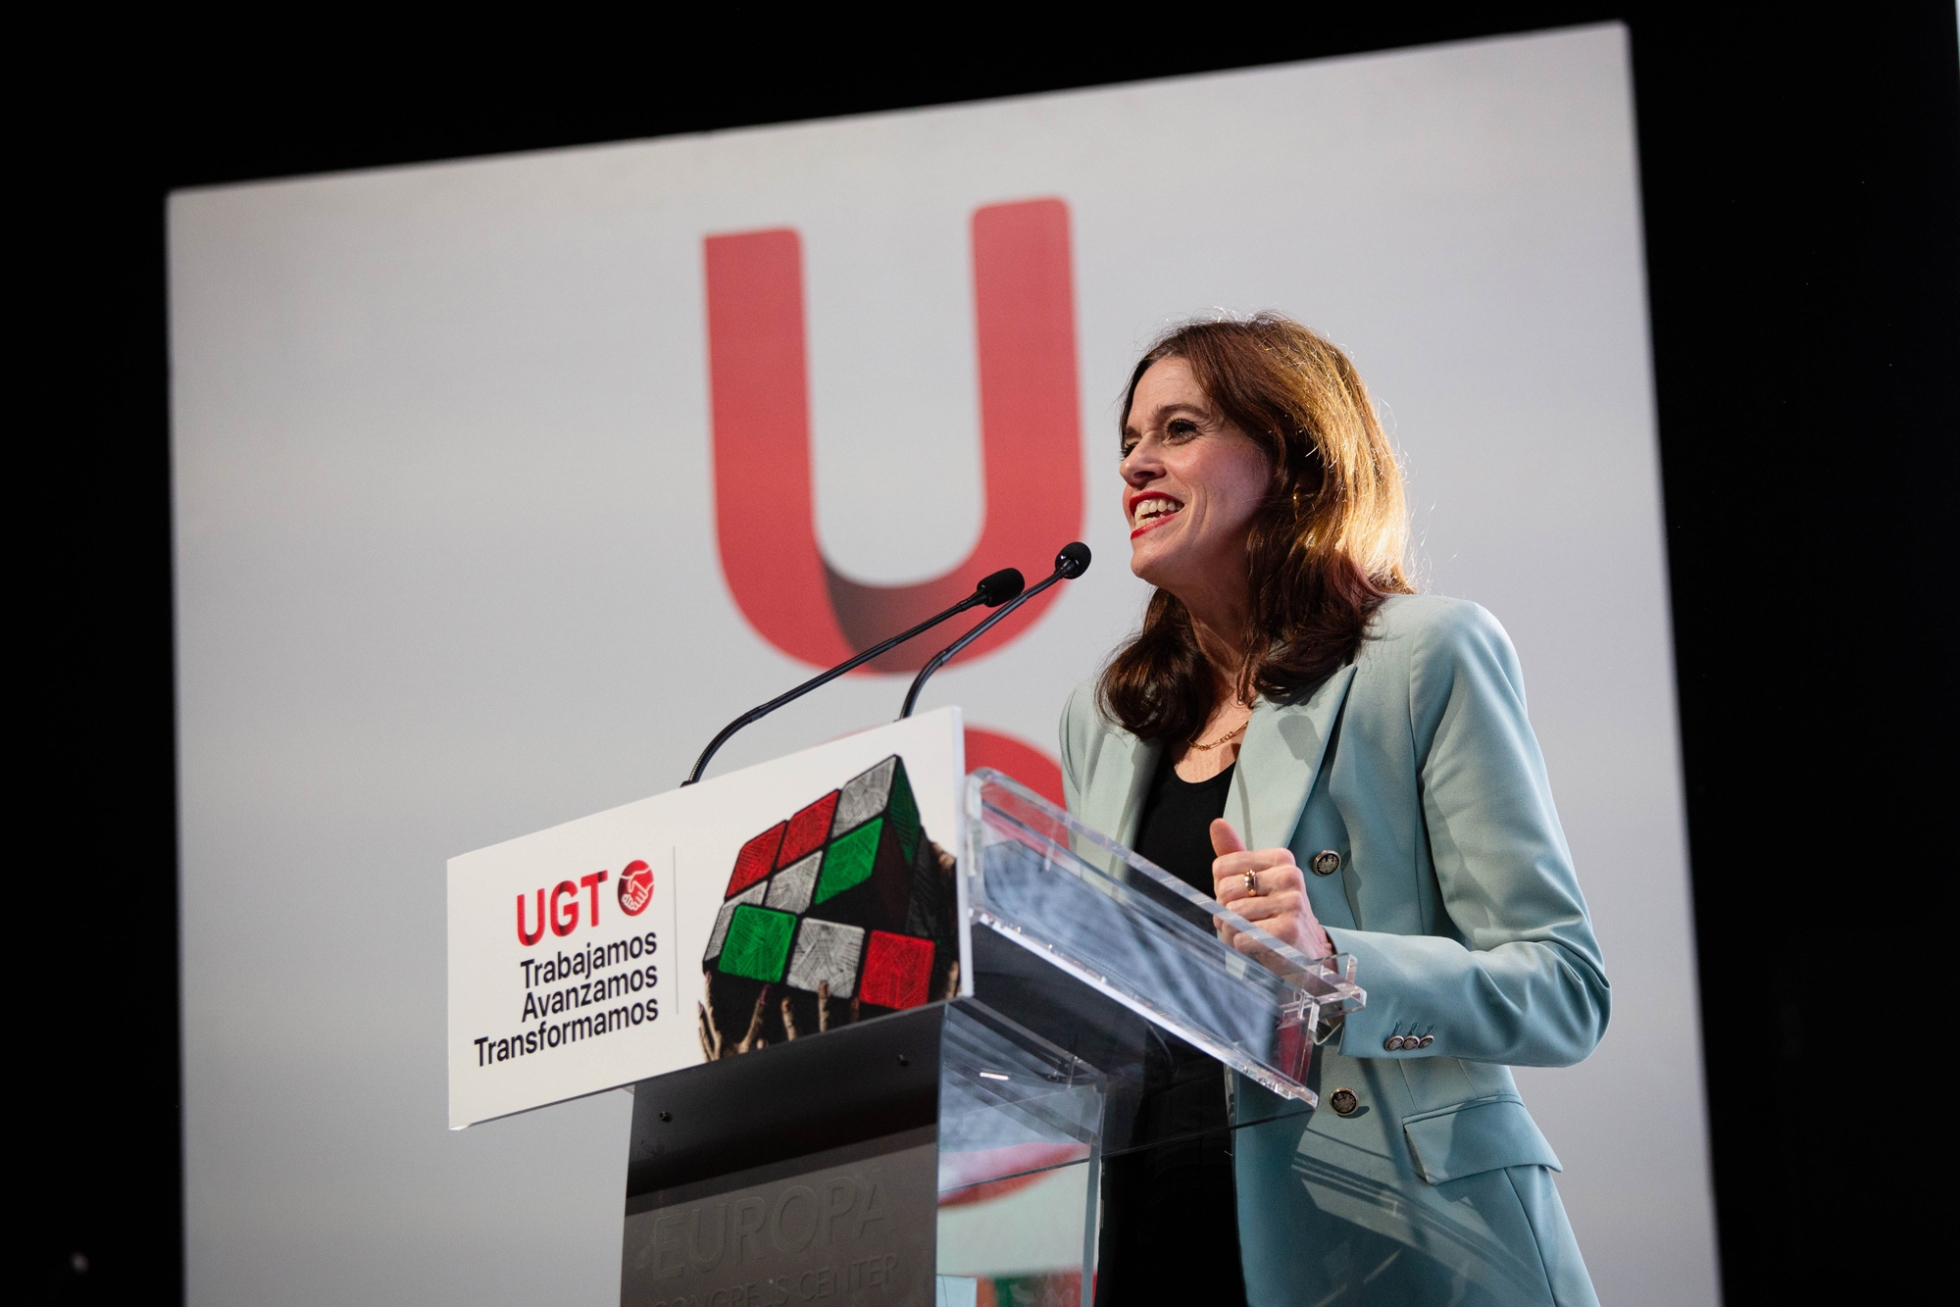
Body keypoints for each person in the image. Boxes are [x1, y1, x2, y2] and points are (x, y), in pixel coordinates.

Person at [1060, 314, 1607, 1307]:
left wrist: (1335, 966)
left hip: (1395, 1238)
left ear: (1291, 458)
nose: (1136, 464)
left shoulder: (1422, 657)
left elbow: (1564, 987)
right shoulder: (1108, 720)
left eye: (1179, 430)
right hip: (1157, 1234)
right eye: (1129, 440)